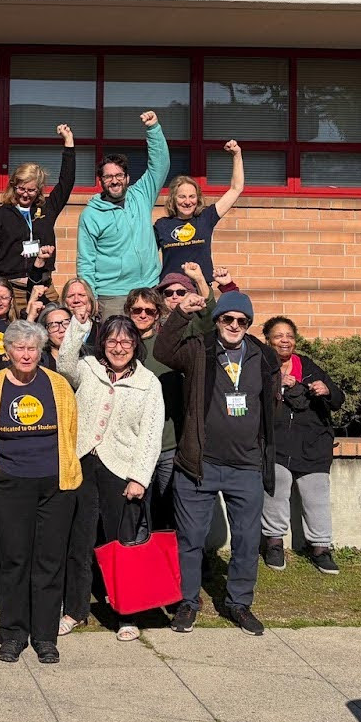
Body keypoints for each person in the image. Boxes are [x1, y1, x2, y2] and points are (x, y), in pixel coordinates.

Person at [155, 290, 279, 637]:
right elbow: (164, 351)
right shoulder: (200, 348)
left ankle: (239, 603)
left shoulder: (263, 356)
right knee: (191, 538)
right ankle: (187, 603)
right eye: (228, 319)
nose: (234, 325)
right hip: (200, 463)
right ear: (217, 320)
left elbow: (271, 403)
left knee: (246, 538)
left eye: (242, 321)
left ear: (248, 324)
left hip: (246, 466)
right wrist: (179, 313)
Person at [0, 321, 82, 664]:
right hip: (9, 483)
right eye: (19, 348)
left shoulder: (58, 386)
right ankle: (13, 633)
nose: (25, 354)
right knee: (15, 561)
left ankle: (45, 636)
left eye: (32, 348)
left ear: (39, 352)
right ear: (7, 352)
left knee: (49, 562)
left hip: (55, 485)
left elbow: (69, 430)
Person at [57, 313, 164, 641]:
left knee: (122, 543)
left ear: (136, 344)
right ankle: (75, 610)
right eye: (112, 341)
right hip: (84, 463)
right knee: (80, 540)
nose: (119, 348)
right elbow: (63, 363)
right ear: (102, 343)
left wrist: (140, 478)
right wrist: (78, 325)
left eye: (126, 341)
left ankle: (127, 614)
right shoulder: (88, 368)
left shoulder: (148, 383)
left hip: (122, 470)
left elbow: (150, 434)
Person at [261, 317, 345, 577]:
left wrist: (326, 389)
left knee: (316, 495)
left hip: (313, 442)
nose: (285, 340)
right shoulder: (262, 366)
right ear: (267, 340)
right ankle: (274, 543)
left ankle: (321, 548)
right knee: (276, 491)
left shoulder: (308, 366)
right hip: (278, 443)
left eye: (289, 336)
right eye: (278, 336)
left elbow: (338, 399)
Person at [75, 113, 171, 320]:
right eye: (108, 176)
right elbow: (86, 261)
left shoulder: (142, 195)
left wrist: (153, 129)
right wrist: (90, 298)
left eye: (119, 175)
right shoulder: (91, 215)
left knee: (156, 346)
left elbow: (160, 165)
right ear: (101, 180)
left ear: (127, 178)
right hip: (112, 296)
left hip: (150, 287)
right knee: (116, 347)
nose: (114, 181)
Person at [0, 125, 77, 313]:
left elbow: (67, 182)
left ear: (39, 189)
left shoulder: (47, 209)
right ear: (13, 186)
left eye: (31, 190)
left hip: (43, 287)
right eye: (21, 188)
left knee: (55, 328)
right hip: (12, 289)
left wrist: (69, 144)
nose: (25, 194)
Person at [124, 287, 183, 531]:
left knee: (169, 511)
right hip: (133, 446)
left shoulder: (167, 347)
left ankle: (169, 564)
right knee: (136, 512)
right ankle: (139, 559)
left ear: (158, 314)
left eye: (150, 310)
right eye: (137, 309)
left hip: (168, 444)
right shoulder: (120, 347)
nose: (143, 314)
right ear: (128, 312)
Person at [155, 141, 245, 281]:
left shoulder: (205, 218)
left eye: (192, 196)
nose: (187, 201)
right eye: (182, 197)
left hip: (201, 290)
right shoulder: (162, 225)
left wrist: (237, 155)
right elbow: (145, 256)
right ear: (173, 199)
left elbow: (236, 189)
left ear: (197, 198)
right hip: (172, 292)